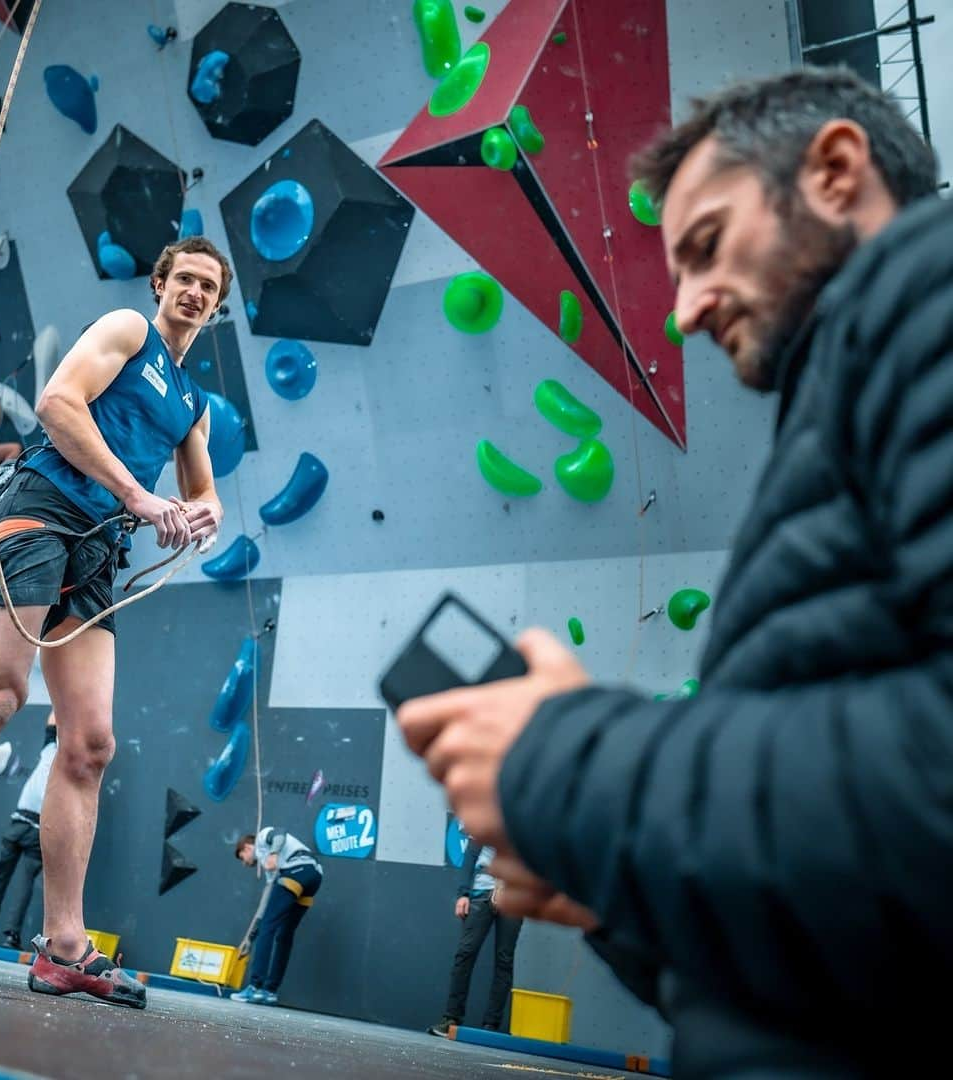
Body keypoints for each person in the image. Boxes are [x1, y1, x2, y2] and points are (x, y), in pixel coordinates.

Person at [397, 66, 951, 1077]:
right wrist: (626, 881)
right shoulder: (850, 402)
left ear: (834, 172)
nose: (687, 308)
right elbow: (849, 933)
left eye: (704, 247)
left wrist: (570, 765)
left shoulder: (929, 301)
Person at [0, 235, 230, 1010]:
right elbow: (56, 403)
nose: (193, 293)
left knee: (88, 745)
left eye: (208, 288)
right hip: (41, 513)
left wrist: (198, 514)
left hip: (98, 550)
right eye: (183, 278)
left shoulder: (192, 403)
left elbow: (206, 490)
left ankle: (65, 949)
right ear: (159, 283)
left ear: (215, 308)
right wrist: (142, 498)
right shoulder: (127, 331)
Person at [0, 712, 58, 949]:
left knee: (0, 880)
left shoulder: (48, 750)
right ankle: (11, 935)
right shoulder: (66, 763)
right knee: (26, 883)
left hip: (19, 823)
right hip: (36, 827)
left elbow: (52, 720)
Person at [428, 839, 522, 1038]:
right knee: (466, 952)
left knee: (504, 958)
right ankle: (451, 1018)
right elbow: (471, 854)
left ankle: (491, 1026)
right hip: (481, 893)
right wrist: (463, 894)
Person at [231, 826, 323, 1005]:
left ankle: (255, 987)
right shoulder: (270, 870)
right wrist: (250, 938)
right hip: (314, 876)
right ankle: (270, 991)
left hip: (296, 870)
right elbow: (265, 904)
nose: (245, 863)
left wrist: (273, 854)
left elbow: (280, 832)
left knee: (269, 928)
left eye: (243, 858)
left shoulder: (262, 839)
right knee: (284, 935)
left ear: (247, 848)